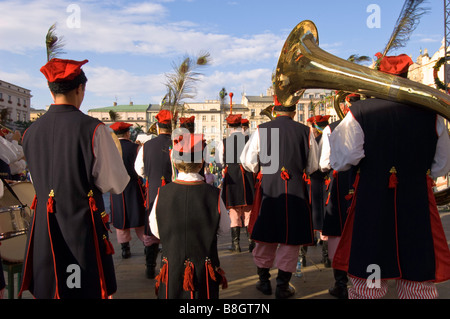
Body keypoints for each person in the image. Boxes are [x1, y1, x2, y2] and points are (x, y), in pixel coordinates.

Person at [330, 53, 450, 299]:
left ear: (378, 78)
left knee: (368, 281)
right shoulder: (433, 113)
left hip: (372, 203)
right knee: (417, 279)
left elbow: (341, 162)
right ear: (407, 77)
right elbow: (441, 167)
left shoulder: (358, 112)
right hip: (416, 203)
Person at [19, 58, 130, 299]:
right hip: (81, 222)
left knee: (52, 285)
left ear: (50, 90)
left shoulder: (30, 132)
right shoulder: (94, 129)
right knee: (81, 286)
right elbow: (115, 183)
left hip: (44, 223)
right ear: (81, 88)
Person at [240, 97, 319, 299]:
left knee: (265, 236)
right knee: (290, 239)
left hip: (270, 187)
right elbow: (313, 166)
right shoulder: (306, 131)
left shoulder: (262, 130)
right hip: (295, 189)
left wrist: (263, 169)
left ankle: (264, 281)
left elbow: (248, 162)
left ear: (275, 110)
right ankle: (282, 286)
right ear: (294, 111)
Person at [149, 133, 230, 299]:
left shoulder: (161, 193)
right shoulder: (214, 194)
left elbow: (156, 231)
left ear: (176, 164)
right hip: (204, 269)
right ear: (201, 163)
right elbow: (224, 228)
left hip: (172, 267)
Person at [319, 95, 359, 299]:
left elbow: (324, 163)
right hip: (364, 181)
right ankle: (367, 282)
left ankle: (340, 283)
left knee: (337, 230)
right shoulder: (372, 122)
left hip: (340, 181)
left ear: (343, 107)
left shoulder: (330, 128)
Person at [135, 109, 175, 279]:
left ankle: (150, 267)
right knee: (171, 230)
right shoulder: (177, 143)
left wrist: (150, 176)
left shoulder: (146, 146)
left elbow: (139, 170)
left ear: (158, 127)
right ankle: (168, 267)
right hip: (173, 191)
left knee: (151, 230)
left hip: (153, 191)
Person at [217, 114, 255, 253]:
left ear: (228, 126)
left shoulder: (224, 142)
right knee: (249, 211)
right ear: (240, 125)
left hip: (232, 177)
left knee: (233, 211)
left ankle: (236, 244)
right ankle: (252, 243)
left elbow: (220, 162)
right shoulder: (249, 140)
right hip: (247, 176)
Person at [109, 122, 146, 259]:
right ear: (127, 133)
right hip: (133, 185)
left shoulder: (109, 149)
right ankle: (147, 244)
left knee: (121, 218)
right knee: (139, 216)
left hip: (117, 187)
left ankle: (125, 249)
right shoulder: (136, 148)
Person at [304, 115, 331, 268]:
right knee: (323, 217)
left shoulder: (312, 140)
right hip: (324, 181)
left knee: (310, 217)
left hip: (313, 181)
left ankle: (303, 257)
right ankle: (326, 258)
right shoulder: (328, 136)